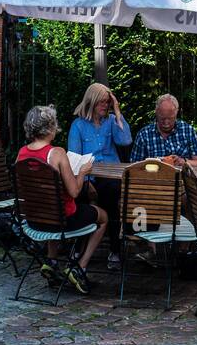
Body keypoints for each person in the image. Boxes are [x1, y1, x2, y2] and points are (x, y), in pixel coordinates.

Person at [16, 104, 107, 294]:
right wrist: (82, 172)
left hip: (34, 221)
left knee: (50, 205)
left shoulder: (22, 153)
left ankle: (51, 261)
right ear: (50, 127)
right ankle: (79, 267)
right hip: (62, 221)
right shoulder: (57, 153)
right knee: (103, 217)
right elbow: (74, 192)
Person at [68, 83, 132, 268]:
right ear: (92, 101)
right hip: (89, 177)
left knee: (113, 193)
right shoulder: (78, 125)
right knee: (82, 196)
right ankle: (80, 246)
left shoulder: (111, 121)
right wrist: (87, 183)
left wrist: (118, 110)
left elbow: (125, 140)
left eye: (107, 102)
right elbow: (74, 160)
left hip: (111, 176)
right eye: (102, 102)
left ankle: (115, 250)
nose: (105, 106)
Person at [131, 94, 197, 171]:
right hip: (153, 181)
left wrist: (184, 162)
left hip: (182, 181)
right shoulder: (144, 135)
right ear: (156, 112)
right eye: (162, 118)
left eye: (170, 118)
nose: (166, 123)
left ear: (176, 112)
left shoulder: (188, 131)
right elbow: (134, 166)